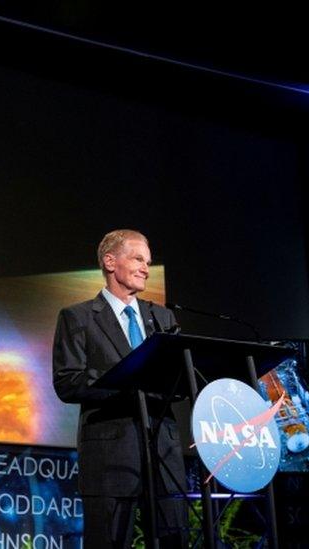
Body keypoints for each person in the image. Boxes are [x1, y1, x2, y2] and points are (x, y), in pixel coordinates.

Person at [52, 229, 187, 548]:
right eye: (138, 258)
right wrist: (125, 384)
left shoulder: (162, 317)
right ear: (110, 261)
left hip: (163, 453)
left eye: (149, 262)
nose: (145, 267)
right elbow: (67, 382)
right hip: (110, 454)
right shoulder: (78, 317)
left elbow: (178, 380)